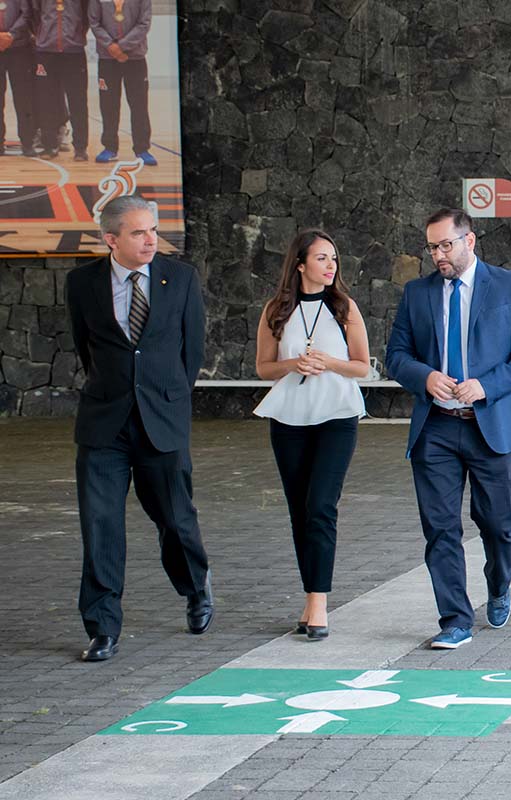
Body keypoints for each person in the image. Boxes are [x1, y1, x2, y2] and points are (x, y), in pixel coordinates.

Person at [386, 208, 511, 650]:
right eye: (432, 247)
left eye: (446, 245)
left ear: (469, 241)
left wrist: (485, 386)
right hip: (436, 427)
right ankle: (455, 619)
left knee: (496, 522)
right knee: (440, 527)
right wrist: (424, 377)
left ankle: (498, 584)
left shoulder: (509, 285)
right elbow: (396, 354)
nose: (438, 254)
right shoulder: (417, 294)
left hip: (490, 424)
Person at [65, 194, 212, 662]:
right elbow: (84, 346)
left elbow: (191, 352)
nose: (151, 239)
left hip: (162, 421)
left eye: (153, 229)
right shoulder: (82, 283)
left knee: (174, 517)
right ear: (111, 239)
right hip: (104, 425)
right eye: (138, 232)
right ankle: (103, 626)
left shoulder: (181, 279)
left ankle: (195, 588)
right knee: (100, 525)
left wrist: (167, 397)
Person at [254, 230, 369, 641]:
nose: (331, 265)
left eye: (334, 258)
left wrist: (329, 362)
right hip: (288, 419)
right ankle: (309, 596)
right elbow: (263, 368)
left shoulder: (344, 307)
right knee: (299, 509)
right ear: (300, 264)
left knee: (321, 505)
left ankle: (318, 602)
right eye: (322, 258)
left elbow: (362, 367)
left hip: (337, 416)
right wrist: (292, 364)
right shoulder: (276, 309)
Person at [88, 0, 155, 165]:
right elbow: (94, 23)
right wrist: (111, 46)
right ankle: (110, 147)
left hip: (135, 57)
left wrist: (121, 47)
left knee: (139, 105)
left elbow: (144, 23)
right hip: (107, 58)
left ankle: (142, 149)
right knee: (108, 105)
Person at [32, 0, 88, 160]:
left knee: (78, 100)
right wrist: (43, 34)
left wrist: (76, 33)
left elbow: (86, 16)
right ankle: (49, 145)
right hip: (46, 51)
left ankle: (80, 147)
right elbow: (34, 15)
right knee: (46, 100)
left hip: (74, 51)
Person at [0, 0, 38, 157]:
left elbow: (26, 13)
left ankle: (27, 142)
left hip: (20, 48)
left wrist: (11, 35)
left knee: (24, 98)